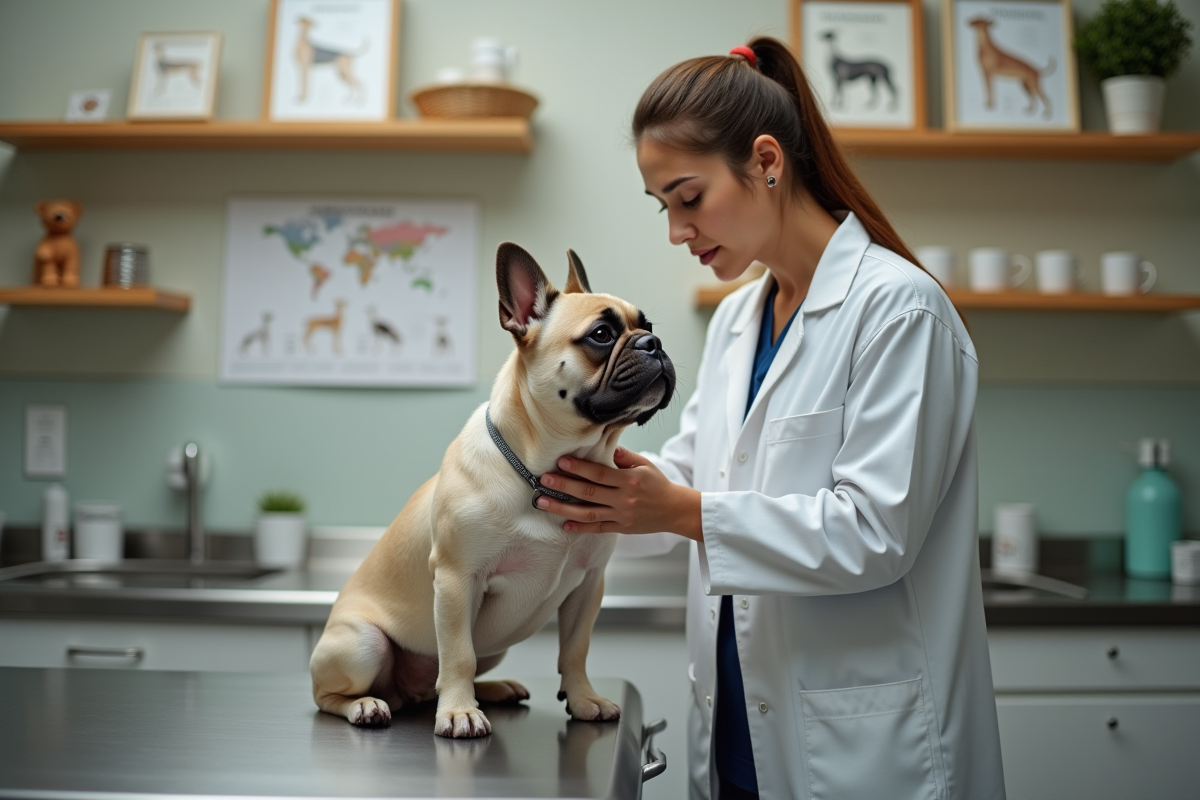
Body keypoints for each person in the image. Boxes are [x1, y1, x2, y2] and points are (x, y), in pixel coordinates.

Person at [531, 38, 1006, 800]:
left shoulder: (899, 311)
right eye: (663, 208)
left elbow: (873, 534)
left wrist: (682, 510)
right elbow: (693, 476)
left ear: (766, 161)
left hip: (866, 755)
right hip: (740, 741)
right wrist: (586, 487)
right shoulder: (737, 321)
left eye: (689, 198)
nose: (676, 231)